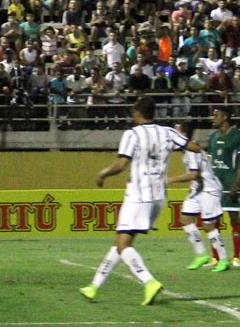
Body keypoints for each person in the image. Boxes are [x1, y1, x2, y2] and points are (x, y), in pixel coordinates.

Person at [79, 97, 201, 305]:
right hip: (158, 197)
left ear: (137, 113)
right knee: (122, 243)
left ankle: (149, 282)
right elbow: (194, 147)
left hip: (138, 195)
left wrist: (103, 174)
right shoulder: (168, 132)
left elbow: (121, 164)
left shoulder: (132, 134)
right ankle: (94, 287)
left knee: (123, 245)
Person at [167, 123, 231, 272]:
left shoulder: (192, 149)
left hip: (209, 189)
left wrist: (171, 179)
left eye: (176, 130)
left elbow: (194, 174)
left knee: (208, 225)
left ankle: (223, 259)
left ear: (183, 134)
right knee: (185, 218)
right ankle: (201, 254)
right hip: (198, 189)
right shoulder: (187, 149)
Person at [208, 107, 240, 267]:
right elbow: (210, 162)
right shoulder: (213, 137)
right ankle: (216, 257)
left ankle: (237, 256)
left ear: (225, 117)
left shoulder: (237, 136)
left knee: (234, 218)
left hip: (230, 184)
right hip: (214, 186)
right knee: (213, 220)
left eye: (216, 115)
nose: (213, 117)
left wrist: (236, 183)